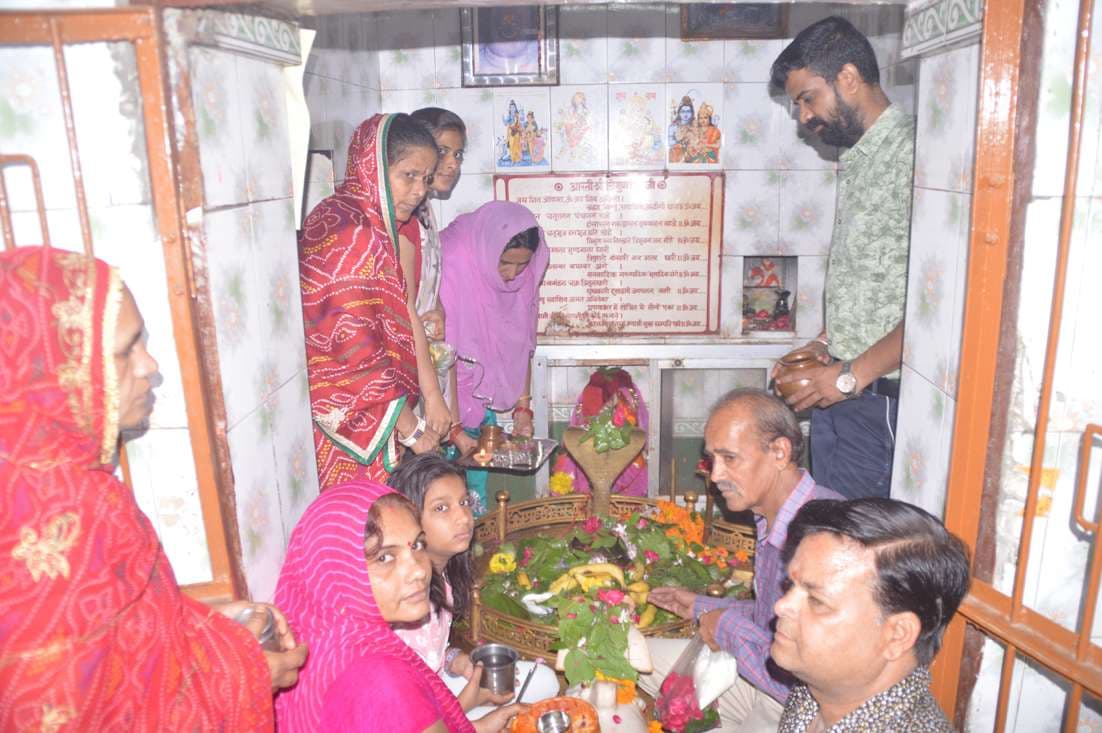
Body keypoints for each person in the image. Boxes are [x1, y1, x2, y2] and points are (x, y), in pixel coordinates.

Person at [0, 246, 307, 731]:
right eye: (126, 351)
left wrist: (207, 620)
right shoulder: (61, 521)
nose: (151, 365)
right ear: (56, 372)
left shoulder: (63, 483)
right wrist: (249, 671)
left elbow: (118, 636)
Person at [770, 16, 915, 499]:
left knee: (857, 549)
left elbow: (936, 313)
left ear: (848, 78)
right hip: (848, 393)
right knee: (829, 525)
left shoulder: (914, 156)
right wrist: (824, 345)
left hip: (876, 399)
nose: (804, 116)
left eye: (808, 98)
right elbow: (881, 282)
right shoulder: (860, 157)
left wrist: (850, 377)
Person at [639, 388, 842, 731]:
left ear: (779, 451)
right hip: (762, 685)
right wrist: (700, 607)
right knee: (631, 657)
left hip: (801, 710)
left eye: (729, 458)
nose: (715, 475)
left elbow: (807, 677)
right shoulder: (771, 516)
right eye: (712, 459)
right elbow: (772, 618)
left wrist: (725, 626)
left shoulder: (823, 536)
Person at [273, 480, 524, 732]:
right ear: (336, 571)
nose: (418, 570)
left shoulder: (316, 641)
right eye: (384, 557)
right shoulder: (383, 680)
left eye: (417, 545)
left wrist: (480, 727)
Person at [299, 113, 447, 489]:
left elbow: (406, 312)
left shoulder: (379, 229)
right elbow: (355, 352)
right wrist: (412, 430)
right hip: (352, 426)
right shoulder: (348, 233)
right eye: (408, 175)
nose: (419, 191)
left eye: (426, 179)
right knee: (363, 530)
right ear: (373, 166)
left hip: (386, 414)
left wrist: (432, 397)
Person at [773, 498, 971, 731]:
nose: (782, 605)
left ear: (897, 635)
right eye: (790, 585)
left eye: (817, 600)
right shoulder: (819, 691)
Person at [388, 454, 559, 711]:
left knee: (544, 680)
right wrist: (474, 701)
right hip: (416, 714)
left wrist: (456, 661)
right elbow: (410, 715)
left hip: (436, 688)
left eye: (464, 502)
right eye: (441, 508)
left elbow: (431, 654)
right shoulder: (404, 601)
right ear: (409, 520)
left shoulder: (443, 578)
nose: (464, 517)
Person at [438, 201, 549, 516]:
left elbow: (520, 340)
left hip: (478, 404)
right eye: (505, 263)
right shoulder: (455, 261)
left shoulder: (520, 279)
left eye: (522, 265)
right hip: (440, 403)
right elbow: (444, 354)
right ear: (489, 251)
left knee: (473, 500)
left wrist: (523, 409)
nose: (512, 274)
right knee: (440, 499)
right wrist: (455, 430)